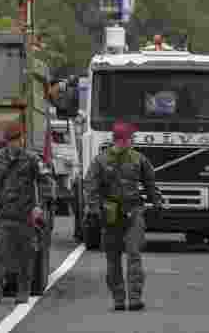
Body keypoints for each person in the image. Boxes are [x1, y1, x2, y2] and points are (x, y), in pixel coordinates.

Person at [84, 121, 163, 312]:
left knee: (133, 255)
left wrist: (157, 202)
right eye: (131, 137)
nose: (133, 140)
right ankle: (119, 299)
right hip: (110, 215)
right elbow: (90, 185)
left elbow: (149, 183)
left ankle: (134, 298)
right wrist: (95, 210)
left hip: (133, 212)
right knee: (114, 258)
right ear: (124, 139)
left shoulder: (138, 159)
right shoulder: (101, 161)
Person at [0, 122, 50, 304]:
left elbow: (45, 183)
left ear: (22, 139)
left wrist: (39, 206)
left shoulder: (32, 159)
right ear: (6, 142)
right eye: (11, 141)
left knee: (25, 255)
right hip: (3, 214)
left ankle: (23, 291)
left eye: (17, 140)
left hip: (25, 215)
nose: (15, 144)